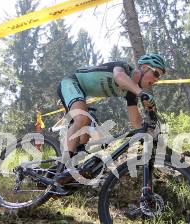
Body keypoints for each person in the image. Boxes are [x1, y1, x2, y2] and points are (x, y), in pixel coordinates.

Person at [55, 53, 167, 184]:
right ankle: (65, 166)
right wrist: (141, 93)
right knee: (81, 117)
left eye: (159, 78)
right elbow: (118, 77)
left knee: (84, 139)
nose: (156, 80)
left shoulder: (132, 93)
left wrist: (151, 132)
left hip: (82, 93)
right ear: (144, 67)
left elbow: (136, 123)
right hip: (71, 82)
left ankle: (70, 168)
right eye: (156, 74)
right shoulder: (124, 68)